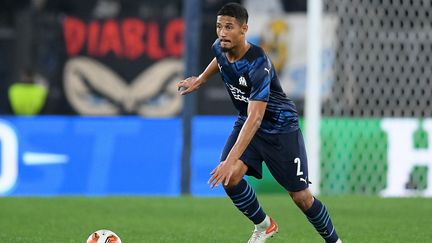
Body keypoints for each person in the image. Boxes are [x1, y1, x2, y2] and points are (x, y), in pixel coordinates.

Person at [178, 3, 342, 243]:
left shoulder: (258, 64)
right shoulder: (220, 47)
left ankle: (335, 241)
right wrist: (201, 80)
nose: (222, 33)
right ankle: (264, 226)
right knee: (231, 178)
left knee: (301, 198)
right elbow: (219, 60)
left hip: (279, 129)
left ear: (244, 29)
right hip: (248, 122)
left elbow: (256, 118)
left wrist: (230, 160)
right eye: (219, 26)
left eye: (229, 27)